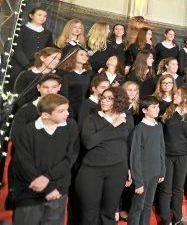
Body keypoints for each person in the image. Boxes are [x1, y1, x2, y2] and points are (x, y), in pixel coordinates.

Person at [10, 94, 79, 225]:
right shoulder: (26, 132)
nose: (67, 113)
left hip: (58, 191)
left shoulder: (71, 126)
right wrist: (47, 189)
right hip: (29, 193)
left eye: (67, 109)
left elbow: (70, 158)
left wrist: (49, 181)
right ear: (45, 115)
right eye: (61, 111)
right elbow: (23, 163)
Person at [75, 87, 134, 224]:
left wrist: (128, 169)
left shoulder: (126, 118)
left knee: (109, 213)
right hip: (92, 171)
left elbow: (126, 145)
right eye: (103, 97)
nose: (104, 101)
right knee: (90, 215)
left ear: (118, 101)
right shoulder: (92, 118)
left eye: (109, 98)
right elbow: (89, 142)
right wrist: (112, 125)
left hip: (117, 171)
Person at [128, 96, 166, 225]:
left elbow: (161, 149)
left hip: (155, 173)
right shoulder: (139, 129)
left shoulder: (158, 126)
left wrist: (162, 171)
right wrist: (138, 181)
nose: (157, 109)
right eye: (153, 107)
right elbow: (134, 156)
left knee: (148, 204)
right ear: (144, 110)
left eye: (158, 106)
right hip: (143, 175)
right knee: (138, 205)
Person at [11, 7, 54, 88]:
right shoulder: (21, 29)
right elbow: (17, 50)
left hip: (39, 68)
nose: (42, 18)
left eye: (45, 16)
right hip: (19, 66)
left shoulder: (48, 33)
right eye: (39, 15)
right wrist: (28, 66)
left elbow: (49, 51)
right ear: (31, 15)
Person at [11, 73, 62, 139]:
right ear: (38, 87)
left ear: (59, 87)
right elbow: (16, 136)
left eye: (54, 87)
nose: (50, 91)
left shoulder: (66, 109)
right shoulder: (25, 110)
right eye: (46, 87)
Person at [13, 47, 61, 112]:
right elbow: (18, 96)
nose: (56, 61)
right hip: (29, 110)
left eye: (58, 59)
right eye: (54, 58)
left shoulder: (59, 75)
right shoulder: (25, 75)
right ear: (42, 58)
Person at [58, 47, 94, 119]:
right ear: (73, 56)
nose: (85, 57)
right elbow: (64, 94)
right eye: (81, 54)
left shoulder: (91, 73)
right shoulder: (65, 74)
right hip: (71, 108)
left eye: (86, 55)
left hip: (87, 109)